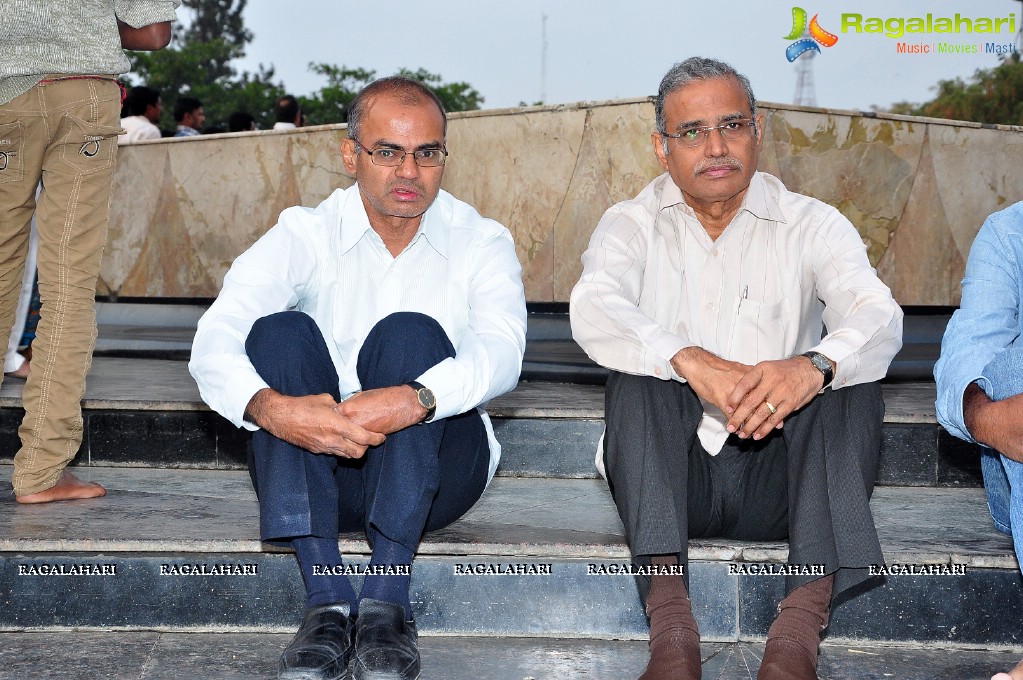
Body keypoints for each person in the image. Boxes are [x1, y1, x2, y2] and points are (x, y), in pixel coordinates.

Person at [569, 57, 903, 680]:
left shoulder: (813, 223)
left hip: (784, 477)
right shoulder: (630, 224)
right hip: (672, 478)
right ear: (661, 148)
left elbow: (878, 314)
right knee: (643, 368)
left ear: (758, 130)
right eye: (691, 132)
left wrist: (811, 367)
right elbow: (594, 306)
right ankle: (672, 637)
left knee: (846, 372)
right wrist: (689, 359)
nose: (716, 148)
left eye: (732, 126)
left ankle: (796, 638)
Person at [190, 76, 526, 680]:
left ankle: (387, 599)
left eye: (427, 152)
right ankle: (325, 599)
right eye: (388, 151)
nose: (409, 169)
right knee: (276, 334)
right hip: (319, 468)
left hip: (437, 475)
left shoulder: (481, 240)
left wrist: (417, 398)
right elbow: (214, 339)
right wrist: (273, 410)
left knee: (411, 335)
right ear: (352, 155)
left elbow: (504, 352)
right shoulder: (304, 232)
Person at [1, 1, 178, 504]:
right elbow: (154, 33)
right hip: (81, 96)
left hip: (3, 98)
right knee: (68, 285)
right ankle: (41, 470)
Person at [934, 201, 1023, 680]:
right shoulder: (1011, 233)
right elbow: (967, 350)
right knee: (1015, 365)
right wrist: (982, 416)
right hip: (1016, 460)